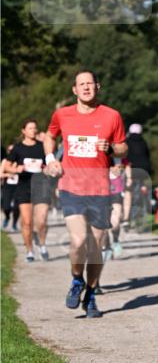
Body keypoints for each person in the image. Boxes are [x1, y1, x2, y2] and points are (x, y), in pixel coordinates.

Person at [43, 71, 127, 317]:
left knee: (96, 248)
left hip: (100, 190)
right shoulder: (63, 114)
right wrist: (50, 159)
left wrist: (111, 148)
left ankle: (90, 295)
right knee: (78, 241)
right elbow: (49, 136)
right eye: (82, 84)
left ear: (97, 87)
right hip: (71, 187)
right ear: (74, 90)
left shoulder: (112, 116)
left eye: (90, 83)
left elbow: (123, 147)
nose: (87, 88)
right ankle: (76, 278)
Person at [1, 120, 48, 261]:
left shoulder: (42, 147)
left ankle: (42, 244)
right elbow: (7, 167)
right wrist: (17, 169)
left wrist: (47, 168)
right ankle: (29, 251)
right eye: (30, 128)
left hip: (40, 186)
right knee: (27, 222)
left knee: (41, 221)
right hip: (23, 187)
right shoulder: (18, 148)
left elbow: (49, 164)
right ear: (24, 131)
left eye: (35, 128)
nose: (33, 130)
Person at [1, 144, 20, 231]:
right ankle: (7, 217)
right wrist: (9, 174)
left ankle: (14, 223)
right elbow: (0, 174)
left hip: (18, 185)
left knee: (17, 207)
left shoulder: (20, 160)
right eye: (10, 150)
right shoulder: (5, 161)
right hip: (8, 185)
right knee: (6, 206)